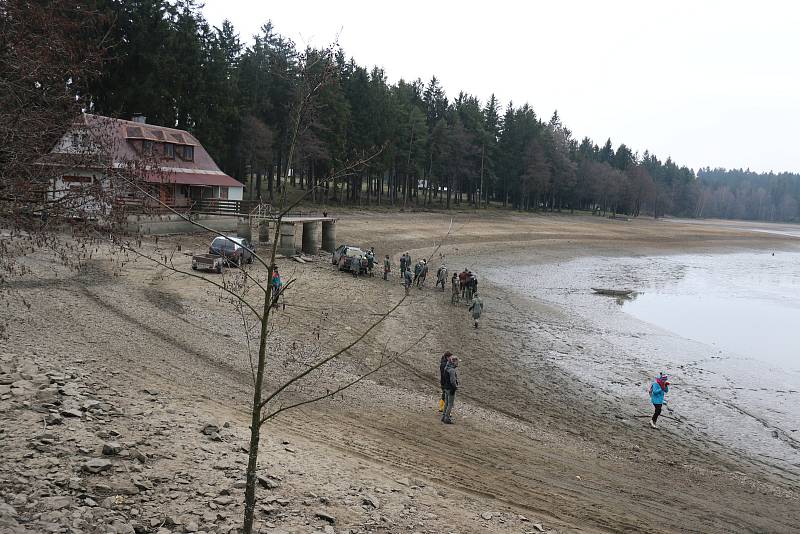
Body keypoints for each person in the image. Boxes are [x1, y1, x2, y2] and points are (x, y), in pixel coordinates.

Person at [442, 356, 459, 424]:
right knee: (450, 404)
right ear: (453, 362)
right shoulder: (452, 370)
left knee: (446, 403)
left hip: (446, 387)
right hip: (450, 388)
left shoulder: (446, 368)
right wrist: (455, 387)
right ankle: (447, 418)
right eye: (457, 361)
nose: (457, 363)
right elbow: (452, 381)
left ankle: (444, 416)